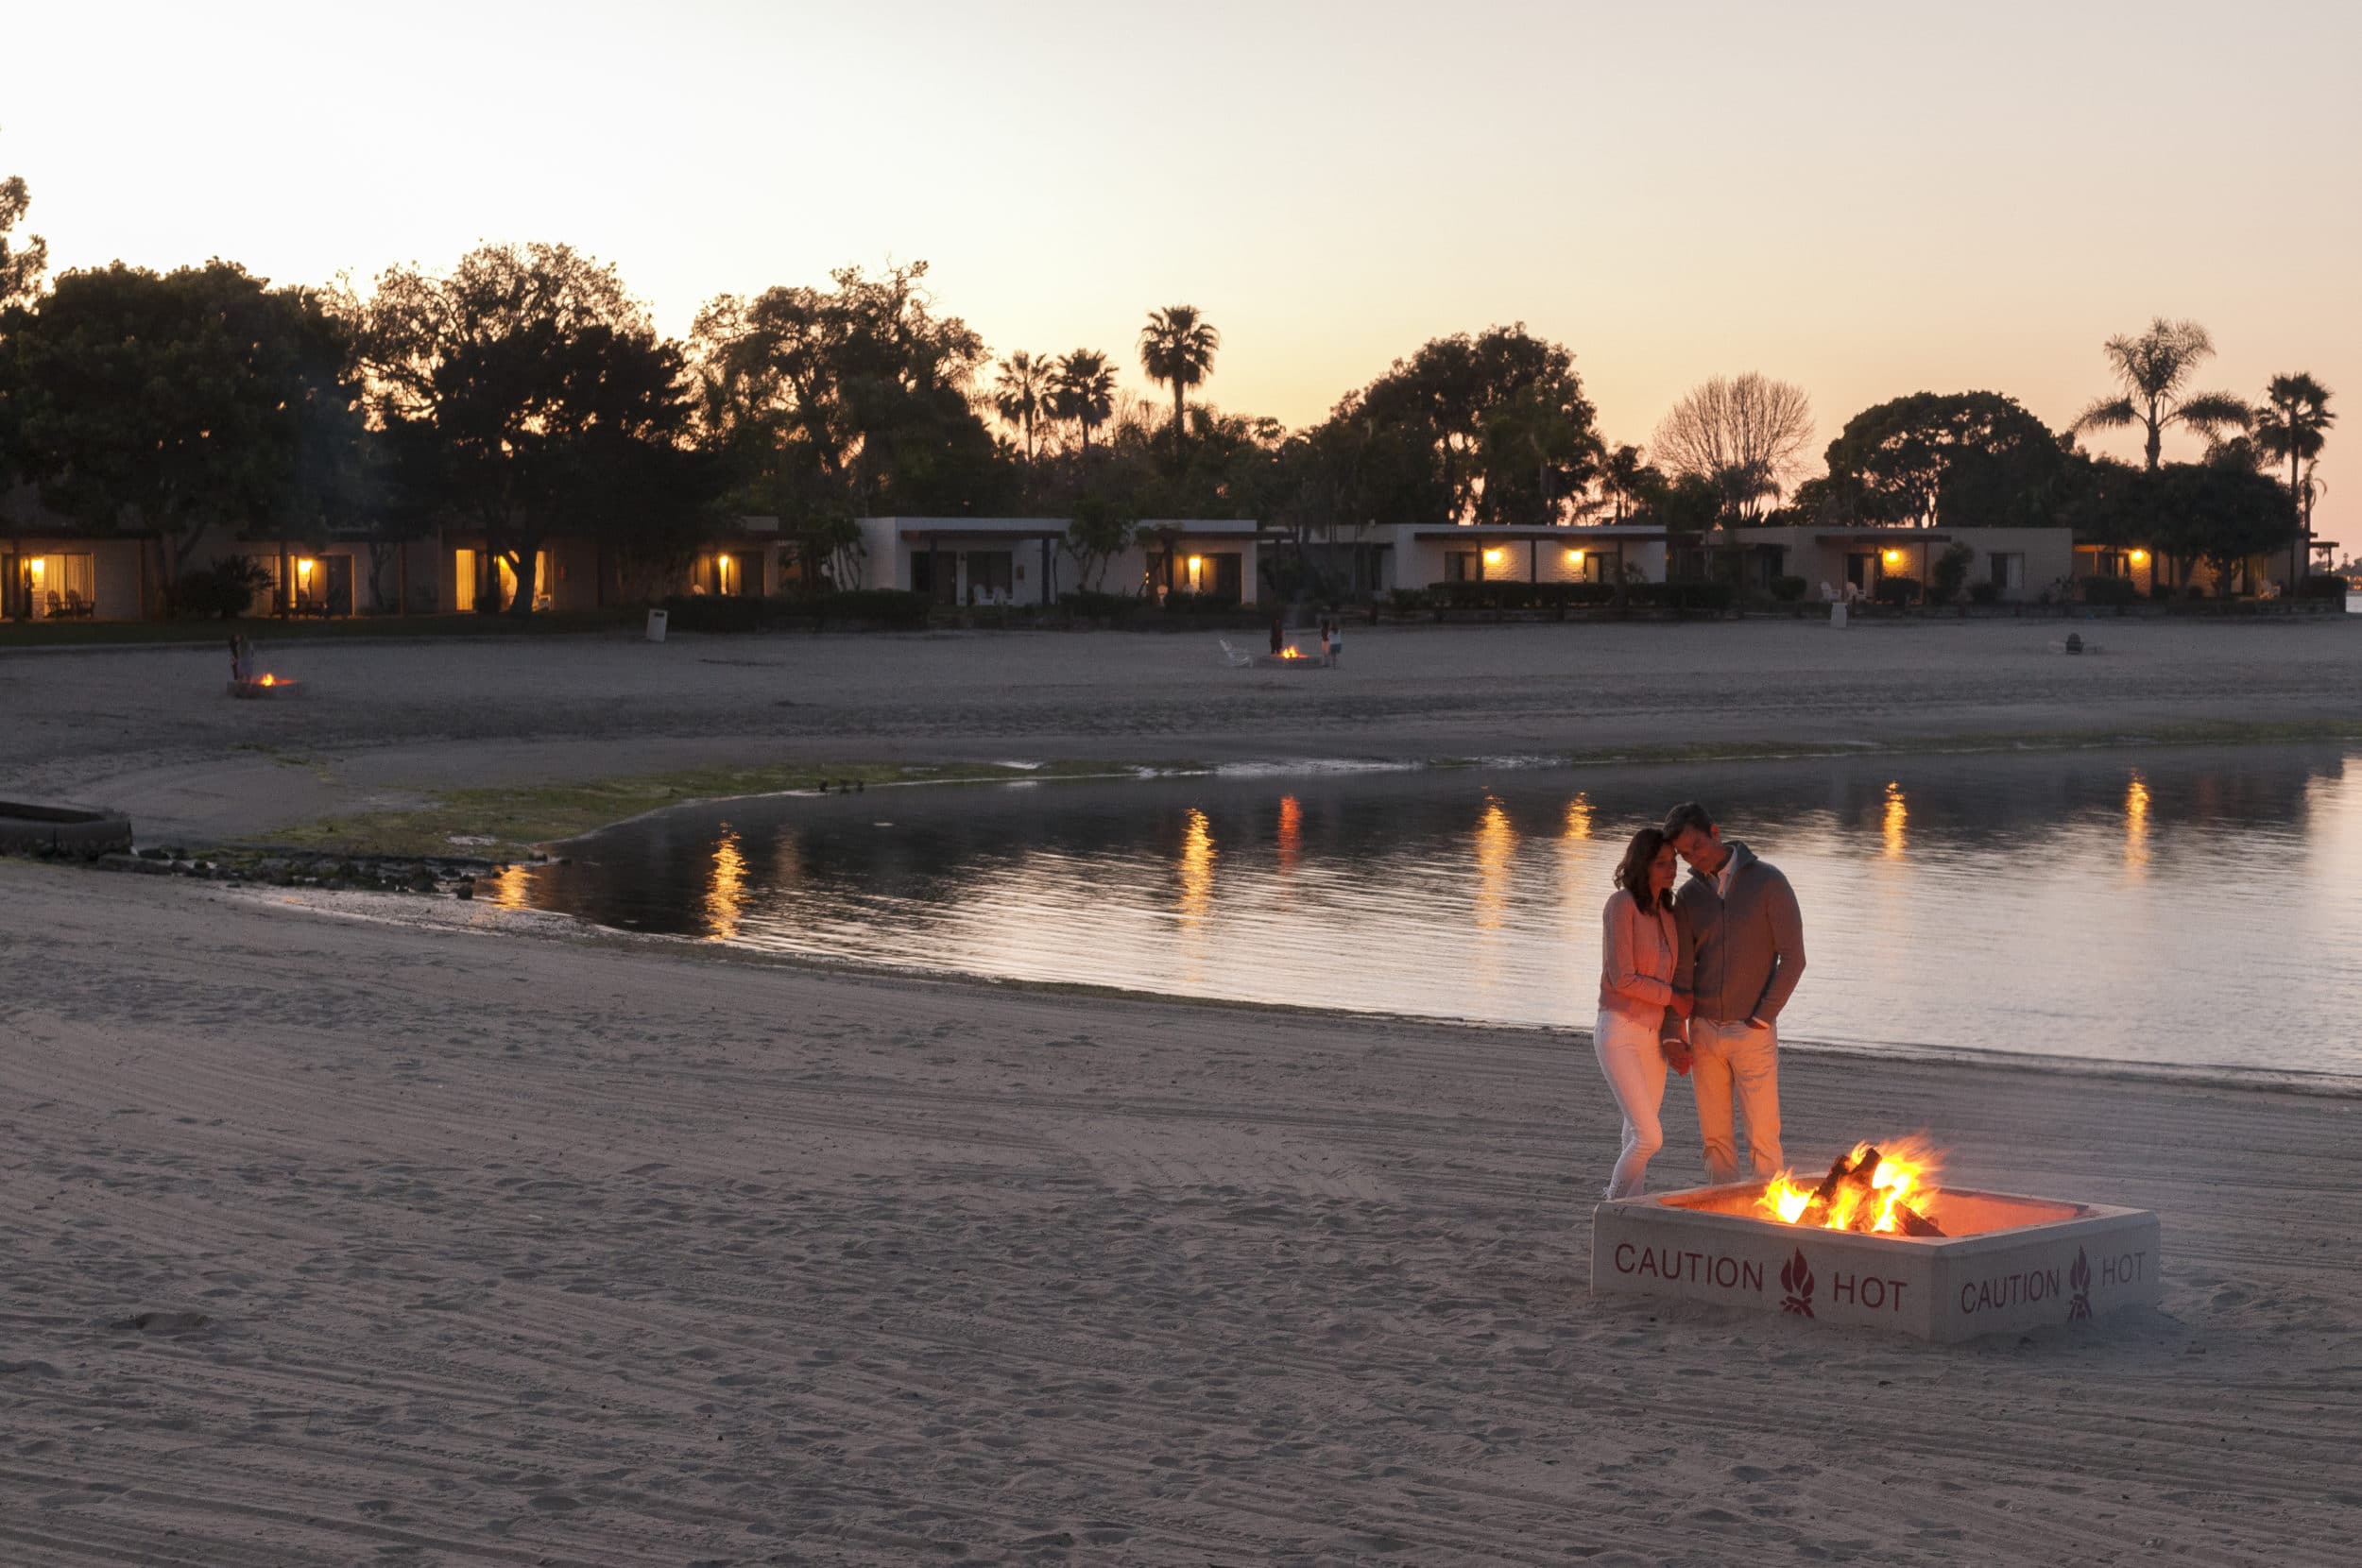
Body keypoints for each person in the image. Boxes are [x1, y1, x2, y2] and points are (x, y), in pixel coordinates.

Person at [1661, 801, 1806, 1185]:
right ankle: (1724, 1220)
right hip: (1705, 1031)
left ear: (1715, 832)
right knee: (1715, 1143)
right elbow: (1681, 971)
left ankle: (1768, 1224)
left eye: (1697, 847)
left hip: (1752, 1032)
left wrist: (1761, 1018)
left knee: (1763, 1137)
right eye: (1683, 854)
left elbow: (1793, 959)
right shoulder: (1689, 898)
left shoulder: (1769, 882)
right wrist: (1675, 1029)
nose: (1693, 858)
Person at [1594, 827, 1692, 1200]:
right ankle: (1612, 1204)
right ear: (1642, 866)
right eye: (1662, 864)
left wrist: (1674, 1033)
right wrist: (1671, 996)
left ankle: (1632, 1207)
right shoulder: (1621, 905)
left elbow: (1673, 980)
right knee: (1650, 1137)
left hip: (1652, 1039)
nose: (1671, 870)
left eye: (1674, 862)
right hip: (1618, 1031)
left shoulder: (1668, 913)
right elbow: (1622, 978)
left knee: (1634, 1133)